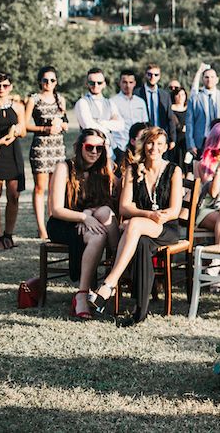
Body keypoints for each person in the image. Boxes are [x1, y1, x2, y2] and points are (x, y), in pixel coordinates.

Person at [89, 127, 183, 325]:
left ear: (165, 147)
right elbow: (124, 206)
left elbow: (175, 210)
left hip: (167, 227)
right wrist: (148, 214)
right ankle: (139, 311)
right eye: (150, 142)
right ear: (143, 144)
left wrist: (153, 217)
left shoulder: (174, 170)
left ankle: (109, 283)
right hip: (142, 228)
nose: (154, 148)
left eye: (159, 144)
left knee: (134, 225)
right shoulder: (133, 169)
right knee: (140, 242)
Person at [47, 129, 119, 319]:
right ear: (80, 148)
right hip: (63, 222)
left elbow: (108, 203)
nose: (94, 152)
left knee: (99, 231)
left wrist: (89, 213)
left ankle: (89, 289)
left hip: (91, 220)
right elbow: (56, 209)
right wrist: (83, 217)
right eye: (90, 147)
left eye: (99, 148)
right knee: (99, 234)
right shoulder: (65, 167)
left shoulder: (104, 168)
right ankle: (83, 295)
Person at [25, 66, 69, 240]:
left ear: (56, 82)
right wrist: (44, 128)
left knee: (55, 189)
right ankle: (41, 228)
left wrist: (63, 125)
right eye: (45, 80)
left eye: (52, 80)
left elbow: (64, 120)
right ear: (39, 81)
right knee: (40, 188)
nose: (48, 83)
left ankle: (53, 225)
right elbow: (25, 125)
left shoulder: (61, 99)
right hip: (41, 148)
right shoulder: (34, 99)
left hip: (57, 148)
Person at [0, 72, 26, 250]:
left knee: (14, 195)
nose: (1, 89)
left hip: (12, 152)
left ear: (11, 86)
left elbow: (24, 130)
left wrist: (15, 132)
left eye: (5, 85)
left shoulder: (18, 106)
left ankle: (9, 235)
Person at [186, 67, 220, 157]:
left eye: (212, 77)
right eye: (207, 77)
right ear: (203, 79)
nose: (209, 80)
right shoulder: (195, 99)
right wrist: (191, 144)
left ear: (217, 79)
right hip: (201, 141)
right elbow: (190, 123)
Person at [74, 68, 123, 150]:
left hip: (110, 150)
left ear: (104, 84)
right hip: (90, 149)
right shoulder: (82, 103)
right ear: (87, 84)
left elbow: (120, 125)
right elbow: (88, 127)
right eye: (92, 83)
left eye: (99, 83)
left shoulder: (110, 103)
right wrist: (110, 124)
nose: (96, 85)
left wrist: (101, 122)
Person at [134, 63, 177, 150]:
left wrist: (172, 139)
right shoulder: (137, 93)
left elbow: (170, 117)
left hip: (161, 136)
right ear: (146, 75)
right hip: (143, 136)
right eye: (150, 74)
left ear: (159, 76)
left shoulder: (165, 95)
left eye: (155, 75)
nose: (152, 77)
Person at [110, 69, 149, 162]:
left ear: (134, 83)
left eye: (130, 82)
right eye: (124, 82)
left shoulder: (140, 102)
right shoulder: (112, 102)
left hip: (138, 147)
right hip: (120, 147)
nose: (128, 85)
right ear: (119, 83)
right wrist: (115, 147)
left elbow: (145, 125)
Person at [169, 86, 188, 168]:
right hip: (176, 138)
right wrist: (181, 128)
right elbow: (173, 122)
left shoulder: (188, 108)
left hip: (186, 138)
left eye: (183, 95)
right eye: (178, 95)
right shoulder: (171, 108)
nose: (180, 97)